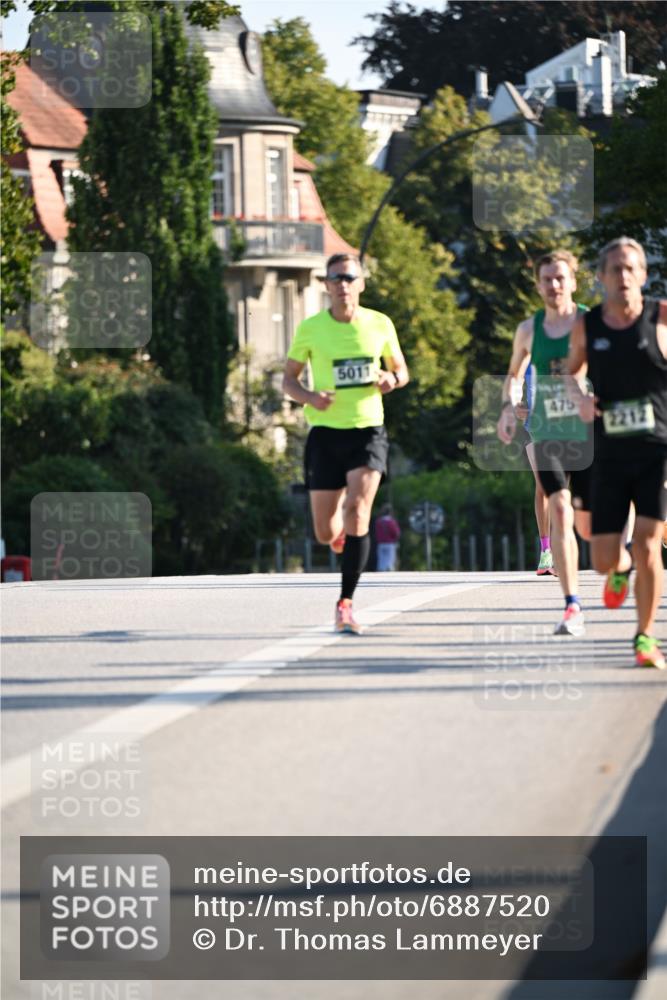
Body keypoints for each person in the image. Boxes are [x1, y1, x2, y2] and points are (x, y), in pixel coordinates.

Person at [283, 253, 408, 633]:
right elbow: (289, 381)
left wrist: (391, 379)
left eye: (349, 278)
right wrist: (310, 398)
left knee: (358, 510)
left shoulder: (379, 323)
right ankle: (337, 536)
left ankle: (346, 603)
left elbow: (402, 370)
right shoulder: (310, 329)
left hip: (368, 430)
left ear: (361, 283)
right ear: (325, 285)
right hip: (325, 435)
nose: (342, 285)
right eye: (335, 278)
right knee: (324, 532)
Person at [568, 237, 666, 669]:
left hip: (656, 450)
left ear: (642, 275)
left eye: (630, 269)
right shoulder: (588, 326)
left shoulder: (660, 317)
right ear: (601, 277)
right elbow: (569, 373)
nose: (623, 277)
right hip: (609, 452)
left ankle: (644, 637)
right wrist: (580, 399)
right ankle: (619, 570)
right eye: (615, 270)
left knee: (648, 546)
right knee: (603, 557)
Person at [497, 250, 591, 635]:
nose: (553, 285)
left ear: (573, 282)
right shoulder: (528, 330)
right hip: (548, 428)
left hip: (589, 431)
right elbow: (514, 374)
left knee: (594, 530)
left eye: (560, 278)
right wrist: (510, 405)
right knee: (560, 505)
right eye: (547, 279)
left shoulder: (592, 322)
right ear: (537, 285)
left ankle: (625, 554)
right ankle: (572, 605)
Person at [375, 504, 401, 571]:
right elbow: (396, 533)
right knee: (390, 559)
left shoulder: (378, 522)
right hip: (390, 543)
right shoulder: (392, 522)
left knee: (381, 559)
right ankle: (388, 570)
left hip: (381, 543)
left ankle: (381, 570)